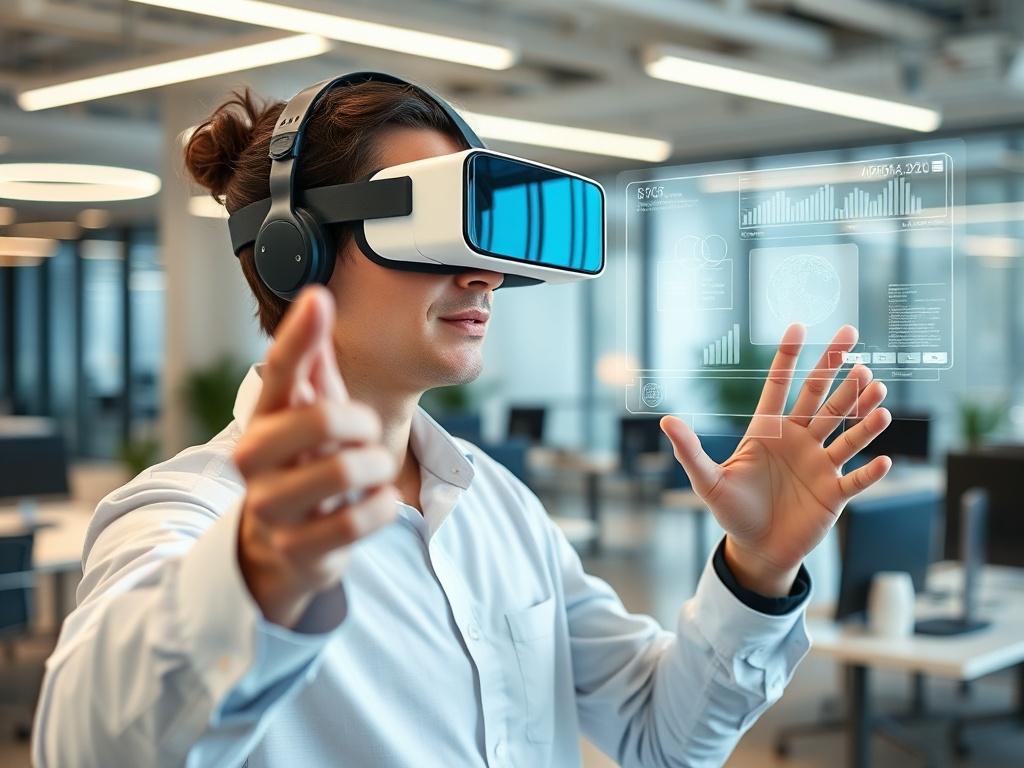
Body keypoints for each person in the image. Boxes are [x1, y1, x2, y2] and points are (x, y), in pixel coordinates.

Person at [33, 79, 892, 768]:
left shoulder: (499, 506)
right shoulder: (189, 515)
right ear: (299, 250)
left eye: (483, 241)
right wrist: (254, 578)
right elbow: (86, 746)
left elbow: (663, 738)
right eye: (432, 228)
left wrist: (757, 571)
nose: (482, 277)